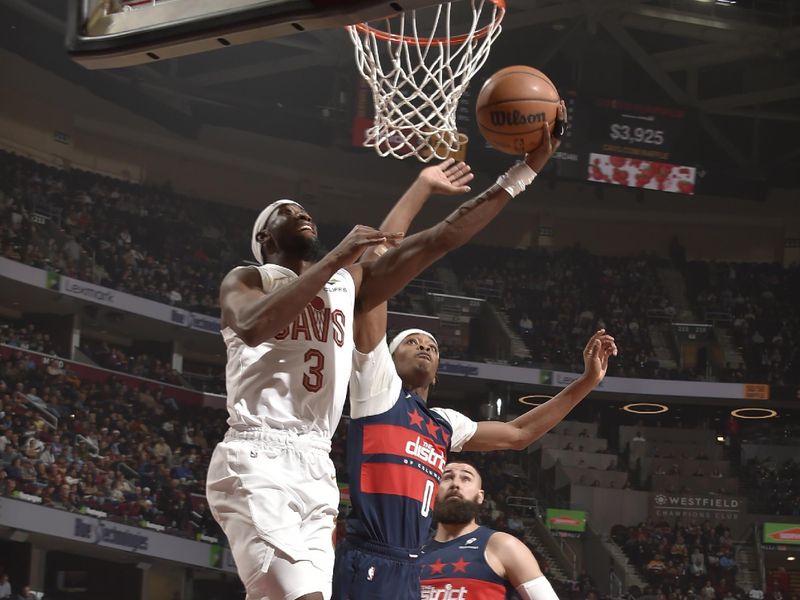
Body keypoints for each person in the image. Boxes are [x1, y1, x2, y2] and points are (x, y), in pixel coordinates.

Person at [207, 117, 562, 600]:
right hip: (255, 455)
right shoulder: (249, 279)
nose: (301, 211)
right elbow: (253, 326)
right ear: (265, 238)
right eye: (286, 211)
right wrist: (337, 259)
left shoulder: (343, 285)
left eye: (303, 207)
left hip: (315, 465)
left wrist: (525, 170)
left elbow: (435, 238)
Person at [332, 100, 616, 600]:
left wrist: (587, 381)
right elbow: (379, 262)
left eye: (431, 345)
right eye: (411, 341)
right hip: (371, 558)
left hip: (410, 564)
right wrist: (421, 187)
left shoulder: (443, 425)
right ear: (386, 360)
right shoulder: (376, 390)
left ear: (438, 372)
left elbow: (519, 433)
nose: (423, 345)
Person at [419, 461, 558, 600]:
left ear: (480, 496)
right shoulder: (414, 551)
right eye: (447, 477)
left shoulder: (503, 545)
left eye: (466, 478)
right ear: (434, 491)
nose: (455, 484)